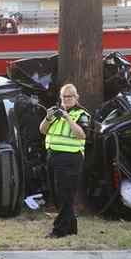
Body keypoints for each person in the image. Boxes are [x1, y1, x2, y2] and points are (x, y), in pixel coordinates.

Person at [39, 84, 90, 238]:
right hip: (53, 156)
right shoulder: (55, 113)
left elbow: (82, 135)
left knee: (65, 195)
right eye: (64, 96)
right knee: (56, 195)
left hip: (70, 158)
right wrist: (48, 118)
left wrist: (68, 118)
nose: (67, 99)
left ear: (76, 97)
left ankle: (59, 230)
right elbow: (42, 130)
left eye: (70, 96)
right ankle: (71, 228)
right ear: (60, 98)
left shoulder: (82, 114)